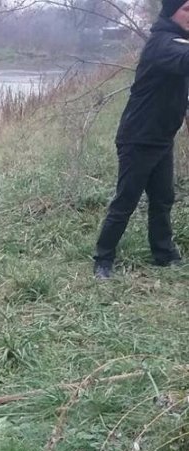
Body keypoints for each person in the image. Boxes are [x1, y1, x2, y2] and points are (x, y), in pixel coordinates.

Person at [93, 0, 189, 279]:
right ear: (172, 12)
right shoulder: (163, 42)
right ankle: (103, 259)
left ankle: (164, 254)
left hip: (161, 137)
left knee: (163, 199)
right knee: (126, 201)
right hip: (138, 138)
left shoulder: (177, 40)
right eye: (186, 10)